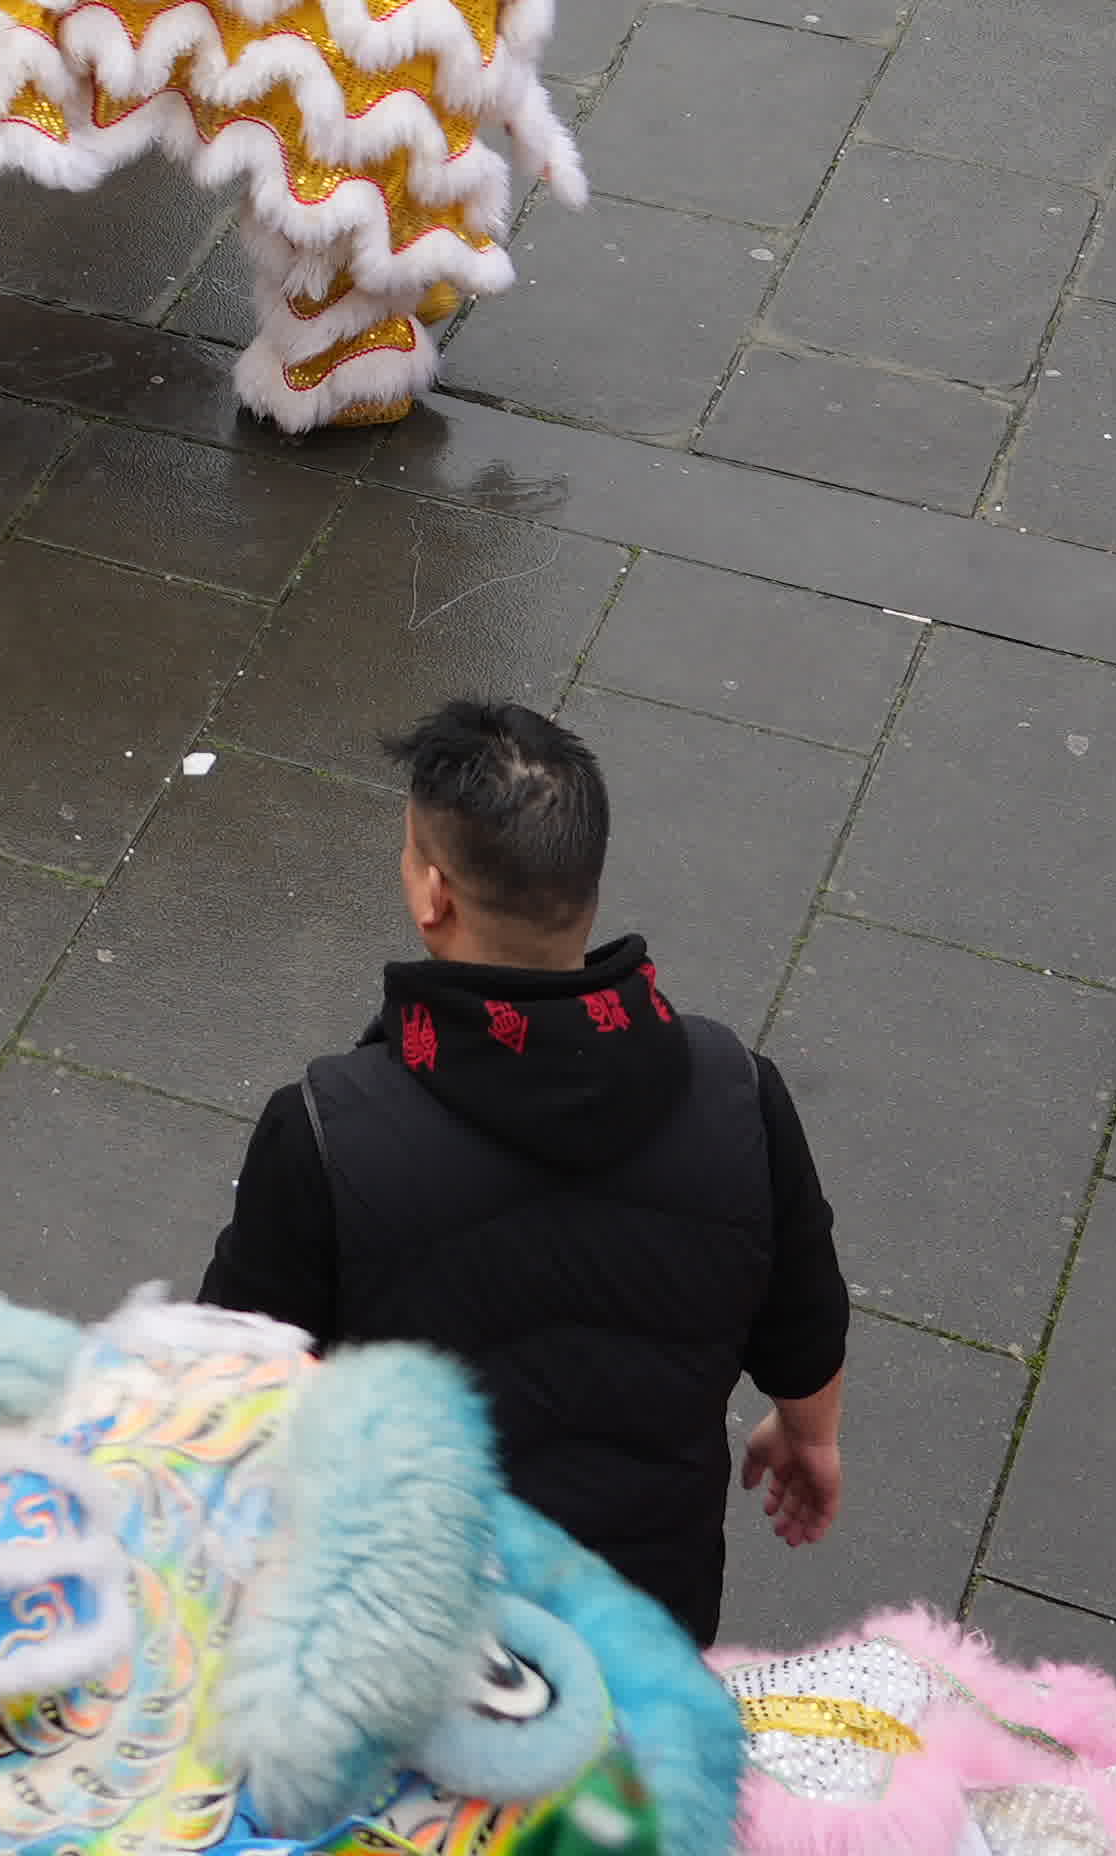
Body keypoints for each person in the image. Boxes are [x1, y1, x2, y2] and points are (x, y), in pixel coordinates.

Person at [190, 697, 847, 1639]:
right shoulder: (737, 1091)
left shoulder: (328, 1132)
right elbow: (803, 1307)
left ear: (434, 894)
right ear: (586, 883)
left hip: (409, 1626)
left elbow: (232, 1379)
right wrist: (810, 1436)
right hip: (642, 1627)